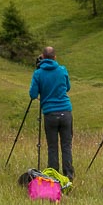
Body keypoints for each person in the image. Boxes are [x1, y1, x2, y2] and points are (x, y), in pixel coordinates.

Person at [29, 46, 74, 180]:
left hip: (50, 114)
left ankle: (54, 176)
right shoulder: (62, 70)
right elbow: (68, 87)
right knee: (66, 146)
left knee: (52, 147)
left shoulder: (38, 73)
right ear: (55, 57)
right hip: (66, 112)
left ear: (42, 56)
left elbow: (32, 94)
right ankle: (69, 175)